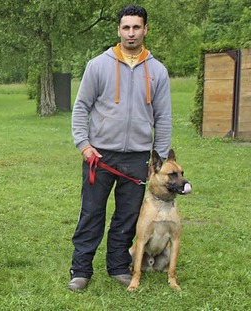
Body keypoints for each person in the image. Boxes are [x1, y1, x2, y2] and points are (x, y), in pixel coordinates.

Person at [68, 5, 172, 291]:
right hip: (99, 156)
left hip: (138, 158)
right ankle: (81, 270)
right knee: (91, 213)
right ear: (118, 30)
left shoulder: (158, 71)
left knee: (127, 216)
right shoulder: (98, 65)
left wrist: (159, 160)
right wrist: (84, 145)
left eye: (136, 27)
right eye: (126, 27)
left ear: (145, 29)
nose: (131, 33)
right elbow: (81, 108)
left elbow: (163, 118)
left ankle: (117, 266)